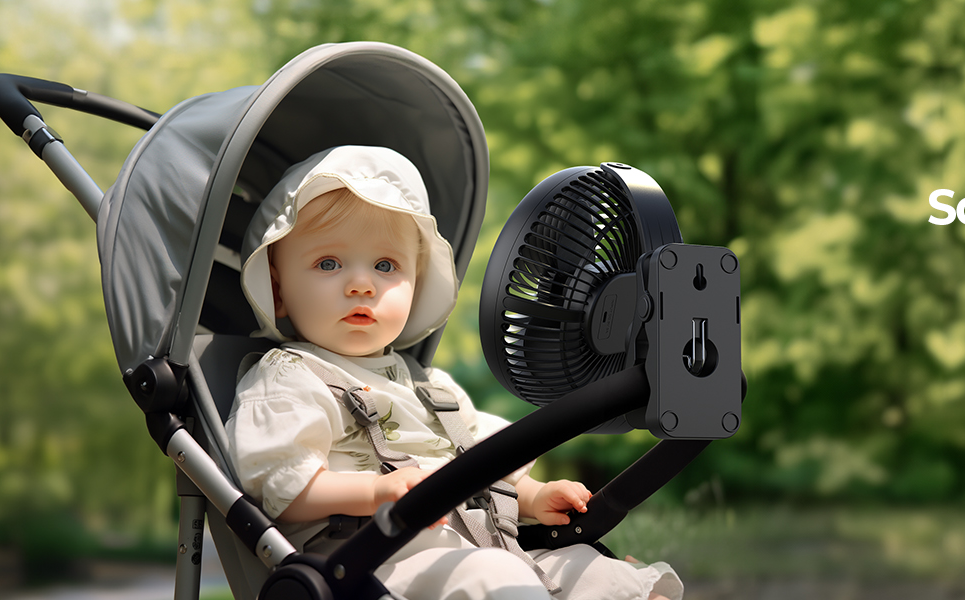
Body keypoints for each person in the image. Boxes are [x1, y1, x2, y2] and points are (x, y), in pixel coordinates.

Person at [226, 145, 682, 600]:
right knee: (494, 579)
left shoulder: (431, 388)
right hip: (375, 563)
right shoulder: (290, 376)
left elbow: (486, 463)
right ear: (278, 289)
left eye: (386, 266)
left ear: (415, 284)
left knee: (593, 570)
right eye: (329, 263)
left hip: (484, 547)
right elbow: (280, 483)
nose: (361, 284)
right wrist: (374, 492)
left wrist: (533, 495)